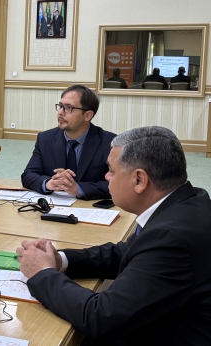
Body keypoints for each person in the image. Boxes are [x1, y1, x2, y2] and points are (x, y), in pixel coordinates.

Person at [16, 126, 211, 345]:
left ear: (139, 180)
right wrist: (60, 259)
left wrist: (42, 272)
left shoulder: (171, 238)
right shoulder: (186, 200)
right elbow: (124, 253)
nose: (106, 177)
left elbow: (100, 317)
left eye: (111, 171)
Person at [21, 85, 116, 200]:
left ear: (88, 115)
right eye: (60, 106)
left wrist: (79, 188)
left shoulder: (111, 144)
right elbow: (28, 175)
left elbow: (119, 185)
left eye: (69, 108)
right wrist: (49, 183)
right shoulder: (45, 139)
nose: (61, 112)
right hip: (55, 205)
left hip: (90, 207)